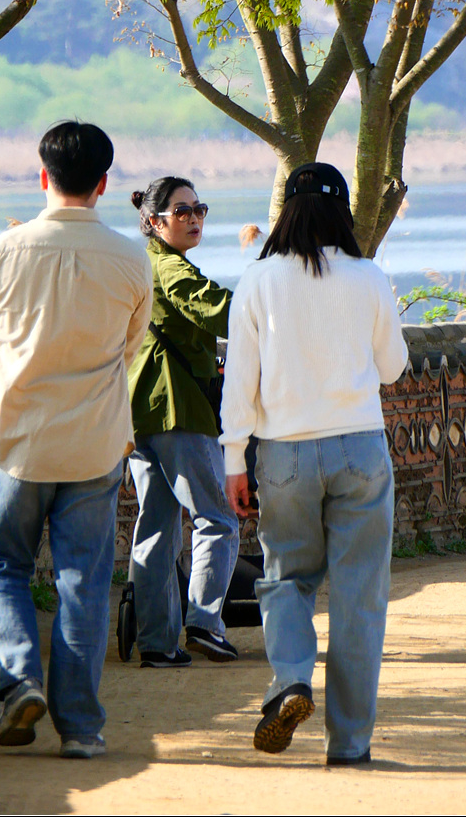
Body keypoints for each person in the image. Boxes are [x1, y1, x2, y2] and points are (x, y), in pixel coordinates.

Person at [0, 121, 152, 758]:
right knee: (83, 581)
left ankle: (19, 679)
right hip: (95, 442)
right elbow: (129, 350)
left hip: (16, 438)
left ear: (43, 176)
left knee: (0, 564)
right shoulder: (131, 259)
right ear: (103, 183)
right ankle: (82, 730)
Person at [220, 162, 408, 767]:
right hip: (360, 447)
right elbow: (392, 368)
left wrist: (234, 459)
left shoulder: (258, 280)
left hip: (284, 451)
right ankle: (349, 745)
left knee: (285, 579)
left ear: (286, 214)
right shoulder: (368, 276)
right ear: (343, 213)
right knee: (360, 599)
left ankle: (291, 680)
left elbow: (239, 381)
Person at [126, 175, 241, 667]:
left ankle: (156, 642)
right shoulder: (171, 268)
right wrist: (269, 311)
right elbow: (219, 311)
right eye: (181, 211)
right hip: (179, 408)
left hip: (139, 410)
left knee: (157, 527)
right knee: (217, 520)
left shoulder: (138, 265)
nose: (194, 218)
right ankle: (204, 623)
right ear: (155, 222)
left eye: (199, 209)